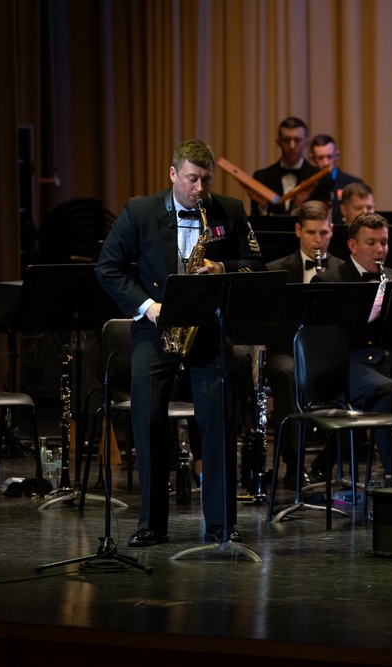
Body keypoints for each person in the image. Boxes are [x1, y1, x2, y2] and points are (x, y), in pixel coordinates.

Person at [95, 139, 265, 547]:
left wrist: (223, 266)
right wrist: (148, 306)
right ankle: (152, 523)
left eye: (207, 180)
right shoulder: (140, 211)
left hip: (208, 330)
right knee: (149, 418)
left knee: (220, 422)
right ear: (173, 174)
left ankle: (221, 524)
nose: (200, 188)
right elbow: (108, 267)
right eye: (192, 179)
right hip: (156, 327)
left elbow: (256, 265)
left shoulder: (229, 210)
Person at [313, 213, 392, 472]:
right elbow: (324, 341)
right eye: (371, 243)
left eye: (384, 242)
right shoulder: (328, 282)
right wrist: (367, 316)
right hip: (347, 367)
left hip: (390, 362)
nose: (380, 250)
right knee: (388, 392)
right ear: (353, 246)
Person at [263, 201, 344, 488]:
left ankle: (327, 461)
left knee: (355, 374)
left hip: (327, 355)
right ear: (298, 230)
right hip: (285, 352)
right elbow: (266, 324)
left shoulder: (343, 271)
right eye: (311, 232)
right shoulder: (276, 269)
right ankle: (294, 465)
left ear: (332, 230)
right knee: (286, 373)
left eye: (323, 232)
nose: (318, 240)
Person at [250, 117, 320, 215]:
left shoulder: (318, 178)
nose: (292, 146)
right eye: (286, 140)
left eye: (297, 140)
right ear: (279, 142)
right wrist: (263, 207)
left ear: (306, 143)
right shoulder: (261, 177)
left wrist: (298, 206)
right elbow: (254, 223)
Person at [306, 134, 363, 222]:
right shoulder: (307, 186)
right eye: (320, 158)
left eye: (329, 157)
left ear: (337, 155)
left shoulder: (353, 184)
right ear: (312, 158)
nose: (325, 163)